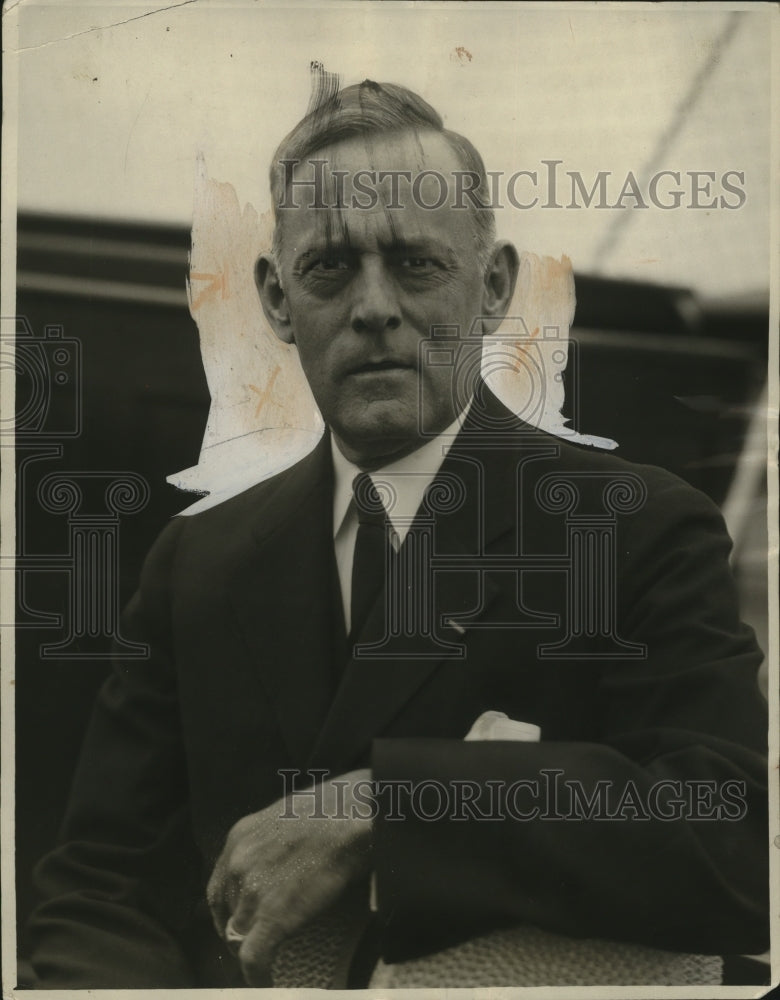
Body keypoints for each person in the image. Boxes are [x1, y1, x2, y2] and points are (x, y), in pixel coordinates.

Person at [26, 79, 768, 989]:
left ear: (493, 286)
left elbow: (731, 845)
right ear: (275, 299)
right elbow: (102, 894)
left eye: (416, 265)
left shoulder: (633, 528)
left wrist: (394, 802)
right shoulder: (197, 564)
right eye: (330, 269)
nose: (374, 307)